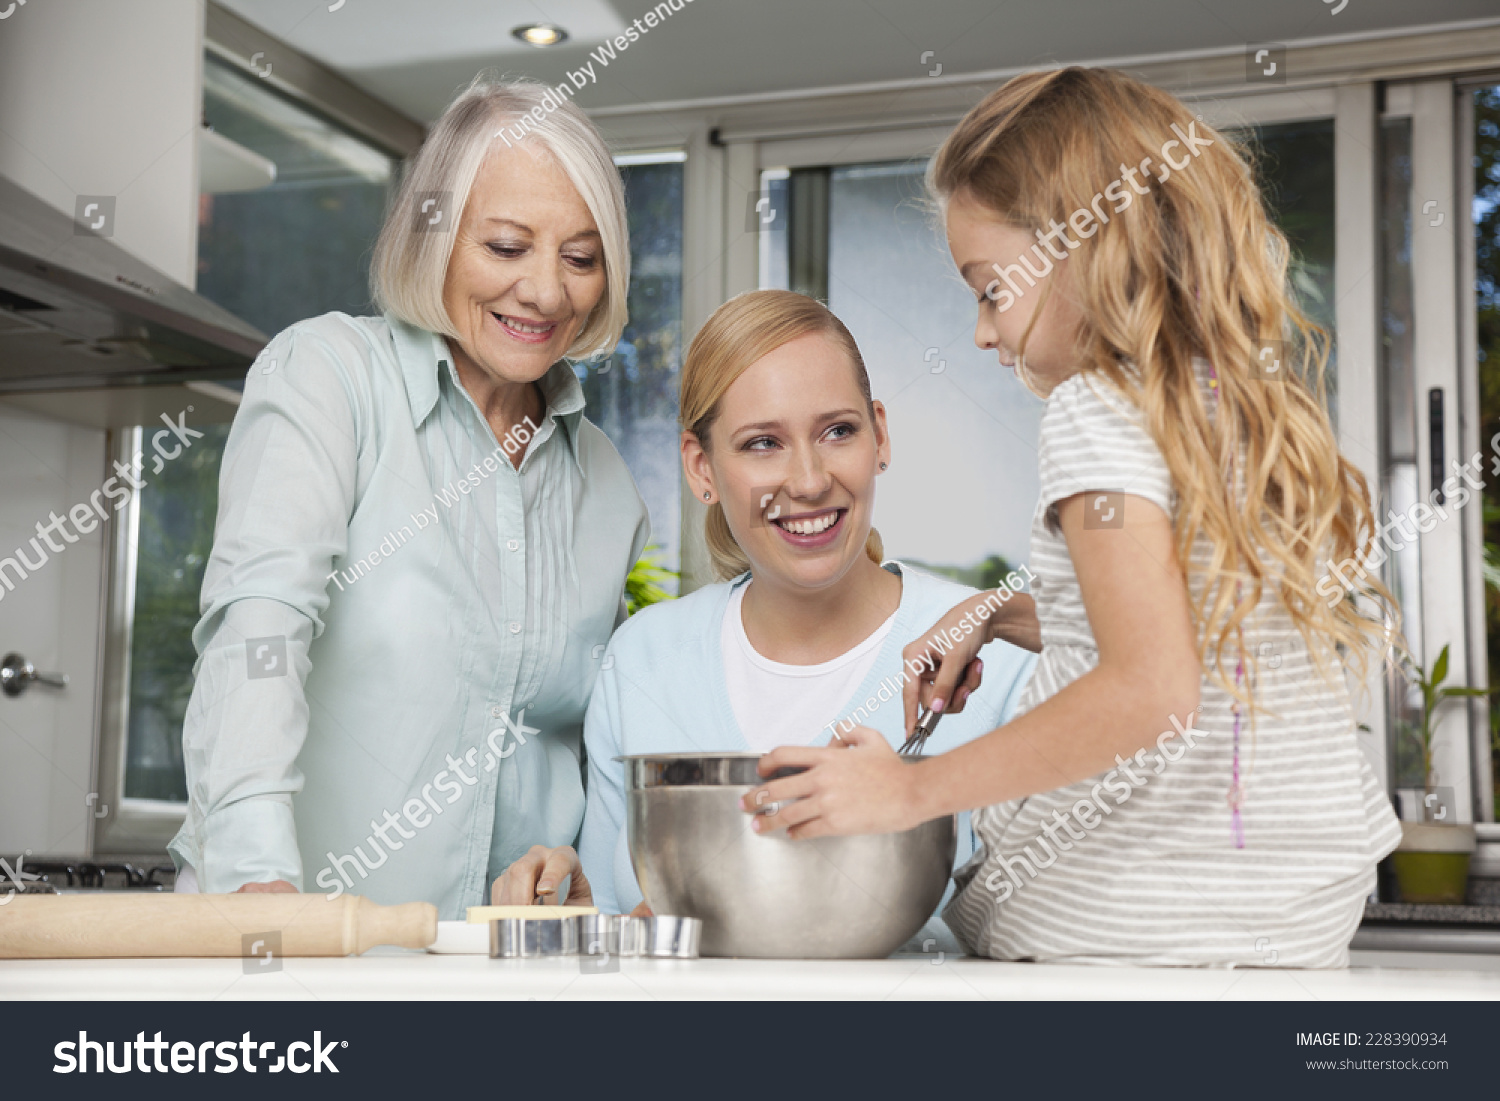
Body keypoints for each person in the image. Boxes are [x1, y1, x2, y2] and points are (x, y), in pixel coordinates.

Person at [744, 67, 1401, 968]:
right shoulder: (1243, 405)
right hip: (1293, 921)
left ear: (1088, 248)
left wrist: (906, 790)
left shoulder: (1096, 409)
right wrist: (996, 614)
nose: (982, 333)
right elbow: (1201, 637)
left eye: (990, 289)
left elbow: (1150, 689)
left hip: (1131, 924)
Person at [168, 78, 649, 919]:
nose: (546, 291)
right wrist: (253, 880)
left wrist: (586, 873)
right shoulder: (328, 376)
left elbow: (583, 755)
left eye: (581, 257)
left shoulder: (605, 479)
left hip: (494, 980)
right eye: (506, 247)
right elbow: (259, 629)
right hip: (293, 950)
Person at [493, 289, 1038, 941]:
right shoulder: (642, 660)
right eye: (762, 443)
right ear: (702, 468)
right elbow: (621, 923)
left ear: (881, 435)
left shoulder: (993, 658)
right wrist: (572, 911)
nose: (808, 480)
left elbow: (1047, 928)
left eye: (838, 430)